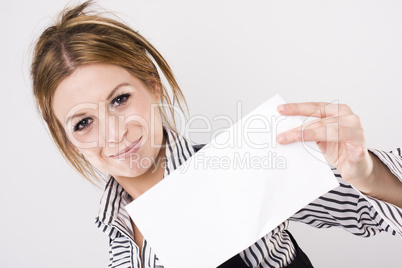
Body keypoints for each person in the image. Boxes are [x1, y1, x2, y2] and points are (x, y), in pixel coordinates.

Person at [31, 1, 402, 268]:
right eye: (83, 123)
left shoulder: (239, 166)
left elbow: (369, 214)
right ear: (68, 141)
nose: (113, 133)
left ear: (153, 85)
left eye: (120, 99)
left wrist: (369, 174)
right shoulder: (116, 228)